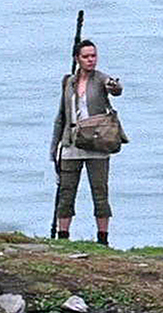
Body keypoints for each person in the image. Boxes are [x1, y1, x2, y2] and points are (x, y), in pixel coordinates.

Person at [50, 39, 123, 245]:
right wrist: (54, 147)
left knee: (100, 192)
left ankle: (103, 239)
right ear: (77, 59)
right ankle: (63, 238)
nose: (91, 60)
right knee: (66, 192)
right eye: (86, 56)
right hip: (71, 144)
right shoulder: (69, 82)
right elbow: (61, 116)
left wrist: (114, 86)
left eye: (93, 56)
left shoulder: (101, 79)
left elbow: (115, 89)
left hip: (97, 144)